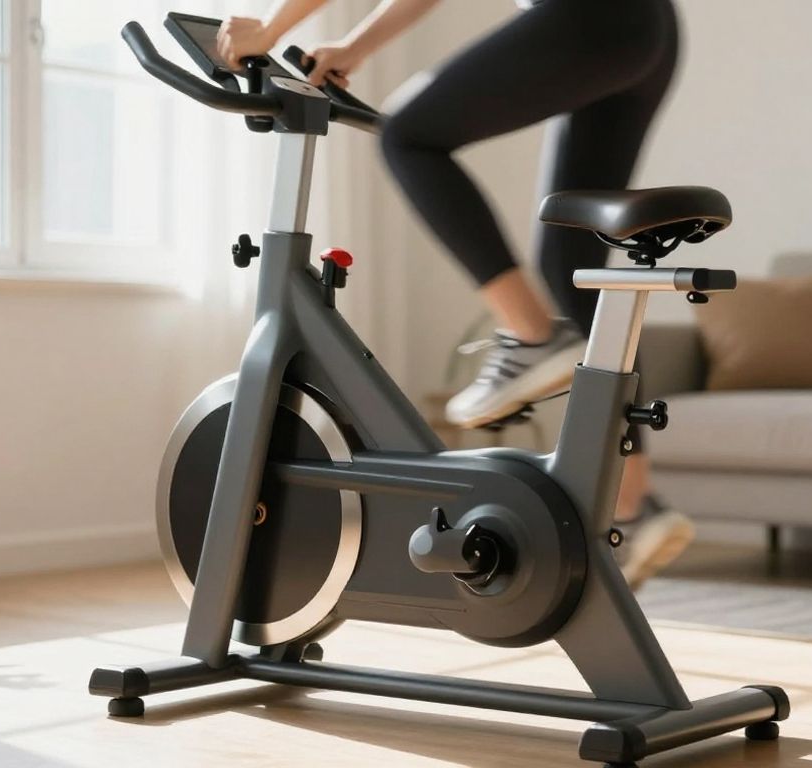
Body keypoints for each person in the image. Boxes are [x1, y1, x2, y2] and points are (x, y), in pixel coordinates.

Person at [218, 0, 693, 586]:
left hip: (592, 19)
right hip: (647, 30)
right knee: (570, 258)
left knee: (407, 138)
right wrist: (357, 46)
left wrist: (268, 30)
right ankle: (635, 507)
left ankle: (532, 337)